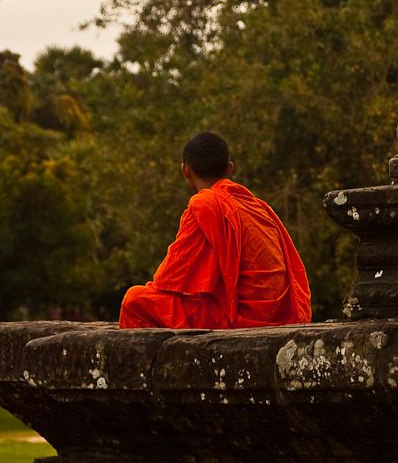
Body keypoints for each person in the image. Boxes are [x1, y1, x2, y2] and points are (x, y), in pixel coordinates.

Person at [119, 132, 311, 329]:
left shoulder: (203, 204)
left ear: (185, 170)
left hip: (240, 317)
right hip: (280, 315)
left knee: (134, 299)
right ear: (229, 169)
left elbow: (168, 278)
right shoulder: (257, 206)